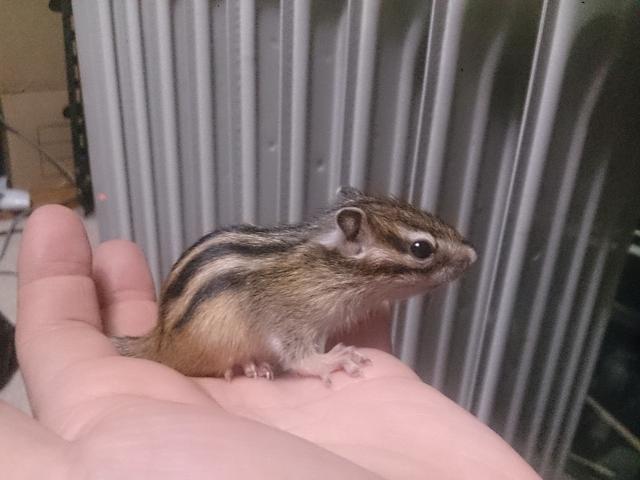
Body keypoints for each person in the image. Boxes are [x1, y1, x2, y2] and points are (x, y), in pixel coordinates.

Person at [2, 205, 540, 479]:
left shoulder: (337, 277)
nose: (459, 264)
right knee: (243, 323)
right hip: (204, 327)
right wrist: (311, 361)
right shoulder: (308, 278)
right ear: (354, 239)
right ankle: (213, 364)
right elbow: (281, 319)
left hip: (227, 308)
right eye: (422, 252)